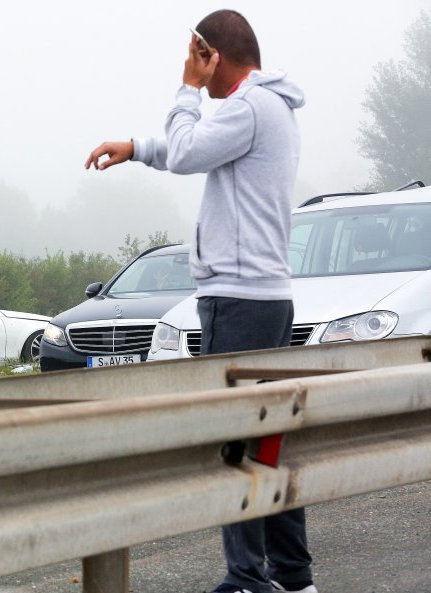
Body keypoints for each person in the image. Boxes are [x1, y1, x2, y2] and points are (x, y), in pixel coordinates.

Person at [83, 9, 314, 593]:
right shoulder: (269, 108)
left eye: (196, 58)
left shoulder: (248, 105)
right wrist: (135, 147)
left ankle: (245, 579)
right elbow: (192, 146)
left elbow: (187, 152)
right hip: (263, 296)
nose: (193, 71)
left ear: (212, 54)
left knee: (238, 444)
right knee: (265, 441)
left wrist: (186, 88)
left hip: (237, 298)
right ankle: (292, 578)